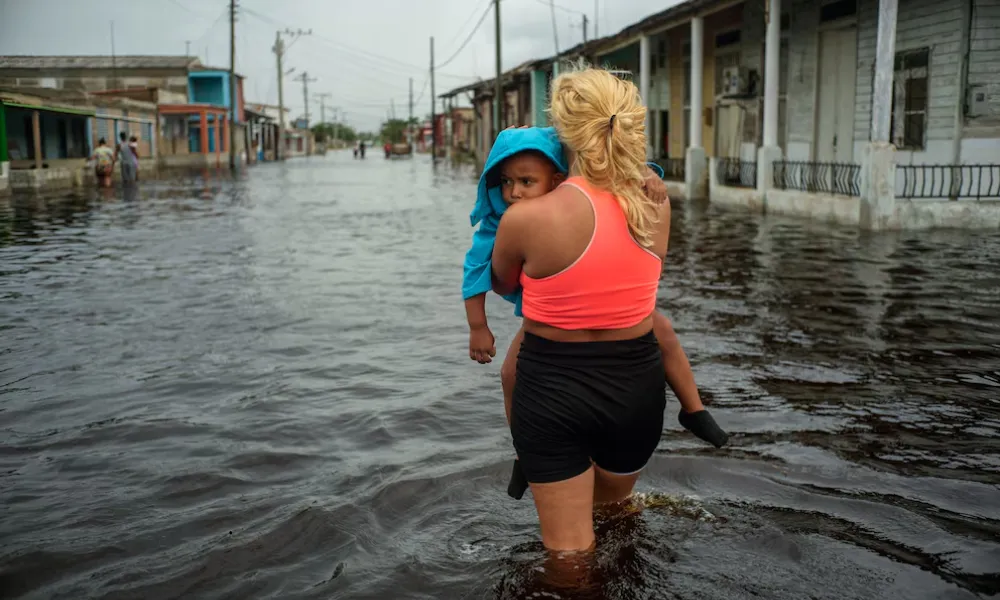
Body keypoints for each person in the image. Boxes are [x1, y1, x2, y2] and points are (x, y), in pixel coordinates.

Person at [490, 66, 725, 551]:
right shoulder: (653, 204)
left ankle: (525, 459)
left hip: (551, 387)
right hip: (635, 388)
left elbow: (502, 282)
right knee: (615, 518)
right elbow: (640, 281)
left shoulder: (525, 217)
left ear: (564, 134)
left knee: (569, 555)